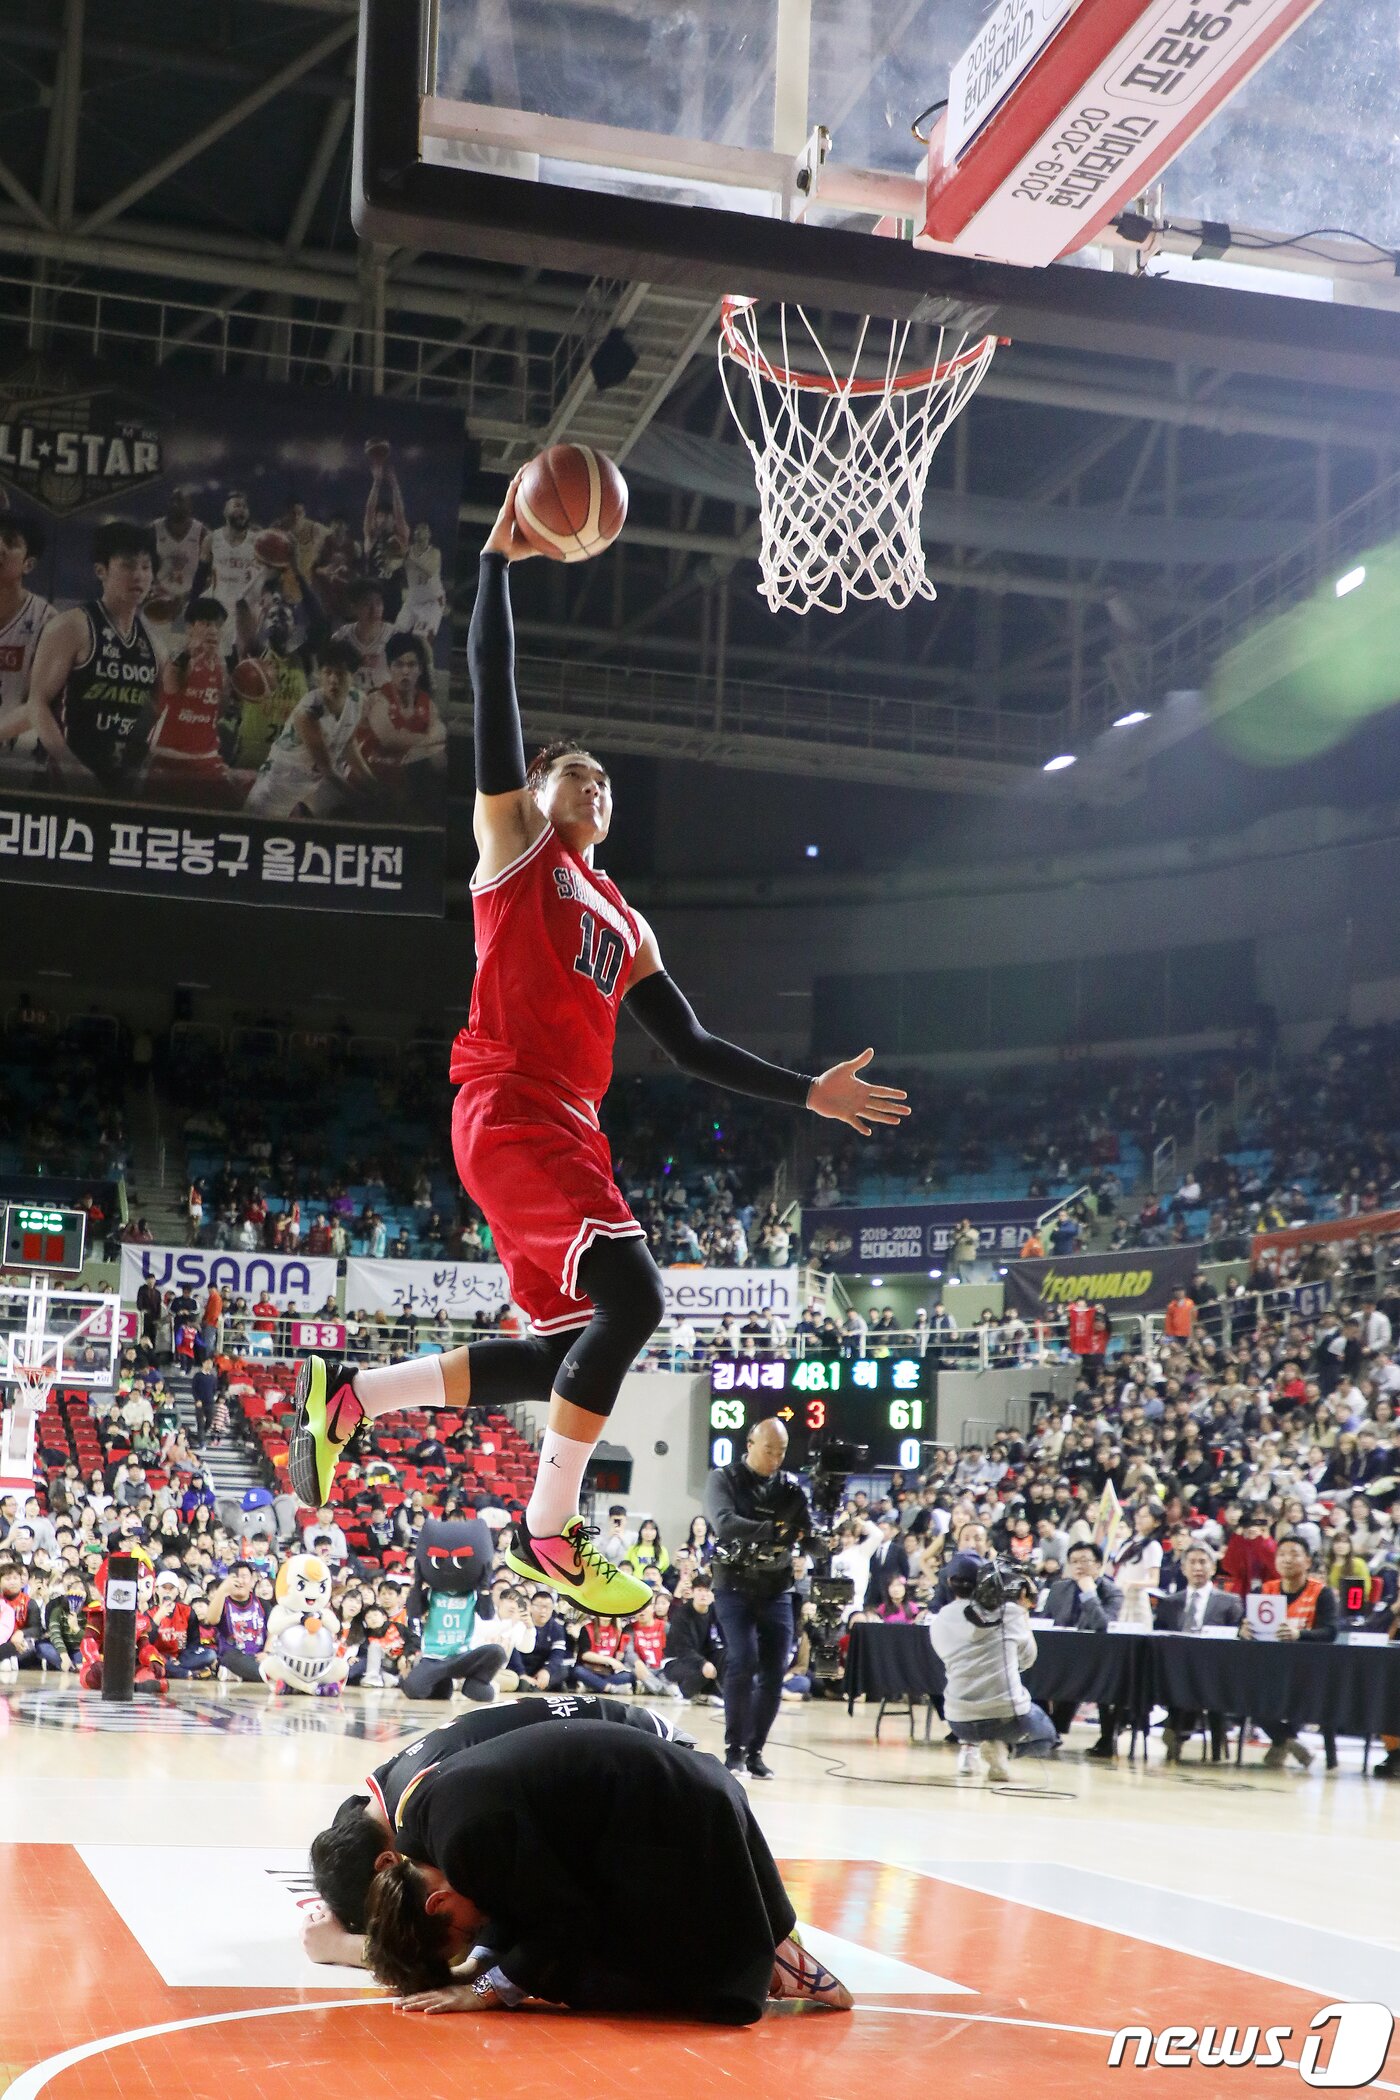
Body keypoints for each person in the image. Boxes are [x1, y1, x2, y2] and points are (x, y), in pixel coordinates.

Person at [285, 481, 907, 1618]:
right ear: (534, 791)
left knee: (565, 1341)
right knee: (637, 1298)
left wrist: (804, 1092)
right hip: (508, 1110)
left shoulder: (625, 920)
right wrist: (494, 566)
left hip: (567, 1130)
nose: (597, 785)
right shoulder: (514, 851)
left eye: (607, 782)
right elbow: (494, 692)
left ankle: (350, 1398)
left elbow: (693, 1043)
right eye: (578, 772)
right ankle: (548, 1531)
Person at [361, 1723, 851, 2019]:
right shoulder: (422, 1828)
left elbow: (561, 1916)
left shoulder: (465, 1840)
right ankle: (763, 1945)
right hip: (665, 1788)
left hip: (680, 1812)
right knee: (530, 1962)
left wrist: (486, 1991)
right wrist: (476, 1966)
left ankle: (771, 1957)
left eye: (468, 1933)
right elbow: (515, 1887)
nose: (482, 1923)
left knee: (573, 1978)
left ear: (438, 1901)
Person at [304, 1692, 690, 1963]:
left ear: (387, 1862)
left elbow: (460, 1955)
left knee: (577, 1955)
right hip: (641, 1757)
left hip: (668, 1776)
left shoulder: (437, 1815)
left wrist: (342, 1947)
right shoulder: (386, 1792)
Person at [703, 1415, 810, 1779]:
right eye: (769, 1451)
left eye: (782, 1452)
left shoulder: (791, 1489)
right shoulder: (724, 1478)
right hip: (732, 1585)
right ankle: (734, 1749)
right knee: (743, 1659)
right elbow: (724, 1523)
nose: (776, 1459)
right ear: (750, 1444)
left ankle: (756, 1751)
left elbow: (806, 1535)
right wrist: (775, 1530)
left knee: (774, 1671)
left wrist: (822, 1538)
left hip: (777, 1587)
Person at [19, 519, 162, 791]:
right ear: (101, 570)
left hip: (122, 783)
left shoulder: (155, 645)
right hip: (64, 778)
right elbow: (37, 704)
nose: (139, 575)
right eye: (128, 565)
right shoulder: (70, 626)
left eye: (146, 567)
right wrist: (73, 768)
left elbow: (159, 714)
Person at [929, 1554, 1058, 1780]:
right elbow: (1027, 1661)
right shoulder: (1009, 1613)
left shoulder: (939, 1619)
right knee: (1047, 1737)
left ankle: (970, 1748)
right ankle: (1004, 1751)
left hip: (958, 1720)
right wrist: (1022, 1610)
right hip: (1007, 1717)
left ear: (950, 1583)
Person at [1242, 1534, 1339, 1770]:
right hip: (1268, 1668)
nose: (1287, 1560)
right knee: (1243, 1688)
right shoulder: (1264, 1590)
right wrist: (1242, 1630)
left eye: (1294, 1554)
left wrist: (1300, 1634)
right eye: (1282, 1554)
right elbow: (1245, 1625)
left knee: (1298, 1694)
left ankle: (1280, 1742)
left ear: (1307, 1561)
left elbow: (1331, 1631)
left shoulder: (1322, 1593)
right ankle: (1288, 1740)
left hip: (1308, 1670)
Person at [1155, 1543, 1243, 1761]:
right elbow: (1159, 1639)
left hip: (1214, 1673)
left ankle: (1176, 1732)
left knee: (1196, 1683)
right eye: (1192, 1562)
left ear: (1213, 1568)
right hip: (1175, 1671)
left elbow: (1237, 1644)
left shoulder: (1230, 1602)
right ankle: (1176, 1732)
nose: (1197, 1567)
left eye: (1203, 1562)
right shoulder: (1169, 1603)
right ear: (1183, 1568)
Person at [1041, 1541, 1123, 1756]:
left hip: (1098, 1659)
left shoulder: (1111, 1591)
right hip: (1061, 1655)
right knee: (1034, 1670)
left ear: (1098, 1565)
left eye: (1085, 1561)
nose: (1079, 1566)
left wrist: (1089, 1594)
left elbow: (1103, 1625)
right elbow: (1046, 1622)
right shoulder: (1059, 1588)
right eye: (1074, 1562)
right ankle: (1046, 1731)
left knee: (1104, 1680)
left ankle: (1107, 1739)